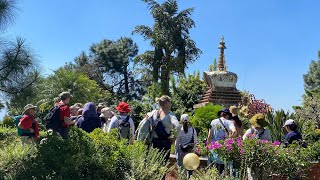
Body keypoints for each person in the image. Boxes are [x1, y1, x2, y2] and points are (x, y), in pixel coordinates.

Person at [148, 95, 181, 161]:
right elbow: (178, 126)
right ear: (166, 103)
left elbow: (147, 118)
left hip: (153, 142)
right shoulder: (170, 115)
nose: (171, 104)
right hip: (164, 143)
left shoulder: (154, 112)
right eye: (170, 102)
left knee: (153, 163)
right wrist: (174, 138)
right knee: (163, 165)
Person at [207, 108, 236, 174]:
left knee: (215, 171)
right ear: (227, 115)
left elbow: (209, 136)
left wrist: (208, 147)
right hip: (224, 149)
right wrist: (228, 140)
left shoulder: (213, 122)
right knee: (225, 171)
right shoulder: (229, 122)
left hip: (214, 149)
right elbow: (234, 132)